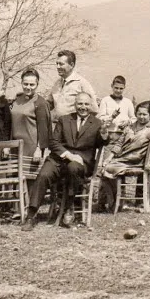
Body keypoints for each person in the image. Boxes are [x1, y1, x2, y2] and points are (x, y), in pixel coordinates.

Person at [23, 93, 108, 231]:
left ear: (91, 105)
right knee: (44, 174)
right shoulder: (64, 119)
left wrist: (104, 134)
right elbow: (53, 142)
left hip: (82, 162)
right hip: (59, 158)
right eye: (80, 103)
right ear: (75, 104)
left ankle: (69, 207)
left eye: (86, 104)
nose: (83, 107)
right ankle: (31, 215)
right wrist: (68, 155)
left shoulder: (97, 123)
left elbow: (101, 143)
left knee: (73, 168)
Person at [99, 102, 150, 207]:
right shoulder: (130, 127)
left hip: (136, 162)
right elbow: (119, 143)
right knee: (103, 168)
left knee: (107, 169)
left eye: (144, 114)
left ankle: (114, 202)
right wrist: (109, 157)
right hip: (122, 158)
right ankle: (112, 201)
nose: (141, 117)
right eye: (139, 114)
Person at [10, 68, 51, 161]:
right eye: (25, 84)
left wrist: (39, 149)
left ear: (37, 84)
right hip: (14, 146)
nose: (28, 87)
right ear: (21, 83)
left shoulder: (41, 103)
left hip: (31, 149)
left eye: (32, 84)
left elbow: (43, 129)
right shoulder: (16, 99)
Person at [46, 50, 98, 120]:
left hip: (74, 125)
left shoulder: (82, 83)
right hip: (57, 124)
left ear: (72, 65)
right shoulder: (57, 83)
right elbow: (48, 104)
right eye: (57, 63)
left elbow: (94, 109)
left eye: (61, 64)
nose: (58, 67)